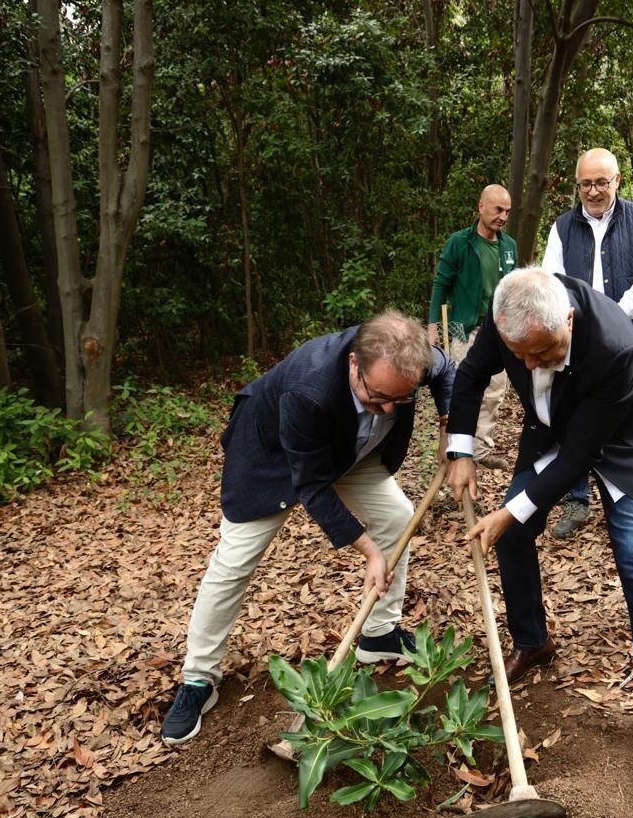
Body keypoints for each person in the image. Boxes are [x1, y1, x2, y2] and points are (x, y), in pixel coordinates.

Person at [163, 312, 454, 745]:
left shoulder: (410, 358)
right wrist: (370, 553)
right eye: (378, 398)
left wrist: (450, 427)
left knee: (396, 515)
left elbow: (447, 370)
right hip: (271, 459)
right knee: (233, 564)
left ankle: (379, 633)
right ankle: (198, 679)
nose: (390, 409)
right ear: (354, 364)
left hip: (350, 450)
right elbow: (312, 486)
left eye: (401, 399)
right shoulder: (309, 386)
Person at [447, 268, 633, 752]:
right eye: (523, 356)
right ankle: (533, 640)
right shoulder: (511, 315)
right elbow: (471, 375)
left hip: (624, 440)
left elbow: (579, 457)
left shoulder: (614, 344)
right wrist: (460, 451)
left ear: (570, 320)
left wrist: (510, 510)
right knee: (513, 533)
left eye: (545, 351)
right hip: (552, 430)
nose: (535, 364)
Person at [540, 148, 633, 539]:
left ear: (617, 181)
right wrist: (574, 321)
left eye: (601, 182)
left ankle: (624, 492)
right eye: (585, 184)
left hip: (624, 338)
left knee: (621, 412)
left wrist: (612, 318)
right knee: (570, 414)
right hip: (573, 338)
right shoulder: (562, 227)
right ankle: (576, 498)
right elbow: (550, 278)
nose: (593, 191)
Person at [427, 184, 519, 469]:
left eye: (507, 211)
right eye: (497, 210)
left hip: (498, 329)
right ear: (481, 207)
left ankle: (480, 448)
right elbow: (441, 283)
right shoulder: (460, 242)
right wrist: (432, 325)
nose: (503, 216)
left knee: (495, 390)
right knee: (463, 387)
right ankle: (456, 449)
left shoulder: (509, 246)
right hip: (464, 327)